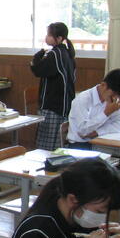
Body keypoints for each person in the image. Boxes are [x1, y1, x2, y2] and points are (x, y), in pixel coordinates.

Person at [66, 68, 120, 225]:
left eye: (119, 95)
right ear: (103, 85)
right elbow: (82, 132)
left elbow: (119, 125)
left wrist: (96, 132)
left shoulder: (114, 100)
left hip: (99, 142)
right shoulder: (83, 100)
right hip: (80, 147)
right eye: (113, 94)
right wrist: (106, 113)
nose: (115, 98)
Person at [31, 22, 76, 150]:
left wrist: (36, 58)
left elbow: (37, 70)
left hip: (52, 105)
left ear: (59, 38)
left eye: (49, 35)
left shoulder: (55, 54)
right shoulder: (67, 52)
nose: (46, 37)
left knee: (45, 147)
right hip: (64, 104)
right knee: (59, 144)